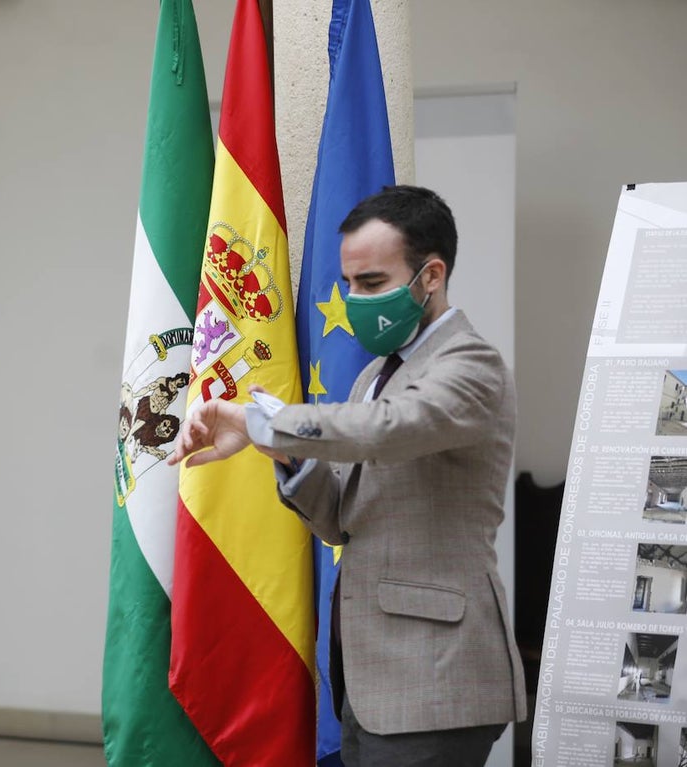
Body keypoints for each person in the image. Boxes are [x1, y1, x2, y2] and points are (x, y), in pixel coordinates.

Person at [169, 186, 526, 767]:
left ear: (431, 276)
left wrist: (266, 421)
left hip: (436, 680)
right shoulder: (374, 376)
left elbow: (389, 429)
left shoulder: (470, 364)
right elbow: (340, 519)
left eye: (373, 283)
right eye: (350, 283)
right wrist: (277, 449)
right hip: (369, 677)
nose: (355, 299)